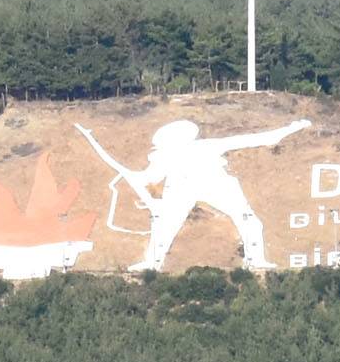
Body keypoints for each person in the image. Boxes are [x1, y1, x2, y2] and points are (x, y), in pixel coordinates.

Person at [83, 112, 310, 273]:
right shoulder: (168, 156)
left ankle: (257, 259)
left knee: (249, 221)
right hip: (182, 188)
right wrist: (132, 175)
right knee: (164, 228)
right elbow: (149, 178)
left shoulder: (202, 147)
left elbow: (253, 139)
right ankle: (152, 263)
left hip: (217, 184)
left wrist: (290, 129)